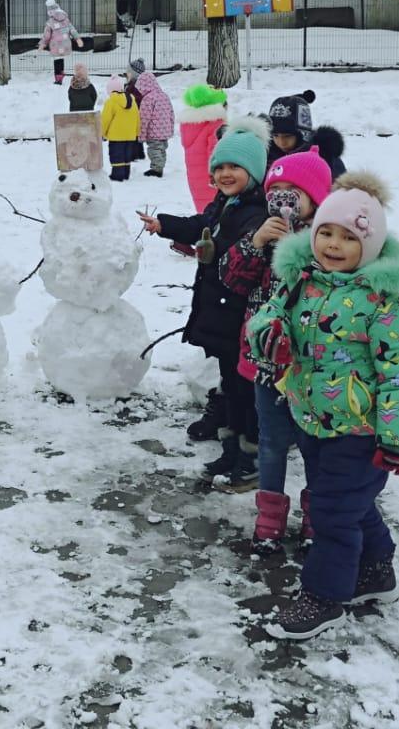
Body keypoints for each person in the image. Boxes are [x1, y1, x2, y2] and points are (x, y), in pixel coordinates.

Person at [249, 172, 399, 640]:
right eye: (326, 231)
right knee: (349, 503)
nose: (332, 243)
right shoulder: (300, 279)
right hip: (311, 417)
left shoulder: (384, 301)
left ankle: (324, 596)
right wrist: (269, 334)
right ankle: (377, 570)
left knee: (330, 512)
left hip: (361, 428)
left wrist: (396, 436)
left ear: (369, 246)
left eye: (349, 237)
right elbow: (267, 314)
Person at [137, 118, 270, 490]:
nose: (225, 174)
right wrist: (165, 225)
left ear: (254, 171)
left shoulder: (257, 214)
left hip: (241, 317)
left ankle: (252, 457)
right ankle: (231, 449)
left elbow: (247, 260)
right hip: (220, 312)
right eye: (220, 167)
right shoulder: (226, 203)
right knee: (231, 384)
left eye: (235, 167)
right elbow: (202, 226)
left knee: (246, 391)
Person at [220, 148, 332, 553]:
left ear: (315, 197)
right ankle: (270, 514)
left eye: (293, 191)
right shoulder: (262, 232)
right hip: (266, 359)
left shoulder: (327, 239)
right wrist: (256, 242)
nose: (282, 199)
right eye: (276, 189)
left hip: (311, 366)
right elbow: (231, 279)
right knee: (270, 440)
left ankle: (315, 515)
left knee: (311, 441)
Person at [266, 90, 347, 178]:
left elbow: (340, 187)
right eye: (275, 136)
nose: (281, 142)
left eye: (287, 136)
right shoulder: (266, 156)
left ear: (303, 134)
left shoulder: (324, 157)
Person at [177, 83, 229, 214]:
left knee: (203, 212)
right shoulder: (216, 124)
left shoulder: (189, 125)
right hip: (214, 180)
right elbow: (216, 154)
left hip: (196, 179)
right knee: (218, 214)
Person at [127, 59, 173, 178]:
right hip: (165, 129)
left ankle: (156, 169)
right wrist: (171, 126)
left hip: (154, 131)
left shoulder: (148, 98)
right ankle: (160, 165)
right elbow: (171, 112)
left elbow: (144, 117)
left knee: (154, 150)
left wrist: (141, 134)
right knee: (161, 149)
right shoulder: (163, 95)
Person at [100, 75, 142, 182]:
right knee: (126, 155)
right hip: (130, 135)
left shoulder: (111, 102)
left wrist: (102, 133)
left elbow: (105, 120)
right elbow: (137, 117)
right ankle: (126, 174)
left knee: (116, 155)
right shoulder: (132, 101)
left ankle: (117, 175)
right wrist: (137, 133)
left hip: (116, 136)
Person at [37, 0, 84, 85]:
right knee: (61, 59)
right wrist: (78, 39)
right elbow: (72, 29)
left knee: (57, 60)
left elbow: (47, 36)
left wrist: (42, 44)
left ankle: (58, 78)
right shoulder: (65, 20)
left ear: (49, 12)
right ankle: (61, 75)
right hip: (65, 44)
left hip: (56, 45)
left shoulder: (50, 22)